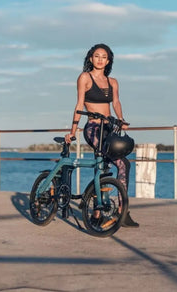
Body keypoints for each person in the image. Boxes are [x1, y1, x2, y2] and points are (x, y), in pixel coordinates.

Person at [65, 43, 139, 228]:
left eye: (104, 57)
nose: (100, 59)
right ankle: (108, 212)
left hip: (109, 128)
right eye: (96, 56)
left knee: (112, 165)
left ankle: (110, 212)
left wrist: (121, 119)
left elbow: (116, 102)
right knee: (117, 163)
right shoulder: (85, 77)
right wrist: (73, 132)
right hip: (92, 128)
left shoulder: (112, 81)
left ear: (108, 61)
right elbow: (79, 105)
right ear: (91, 58)